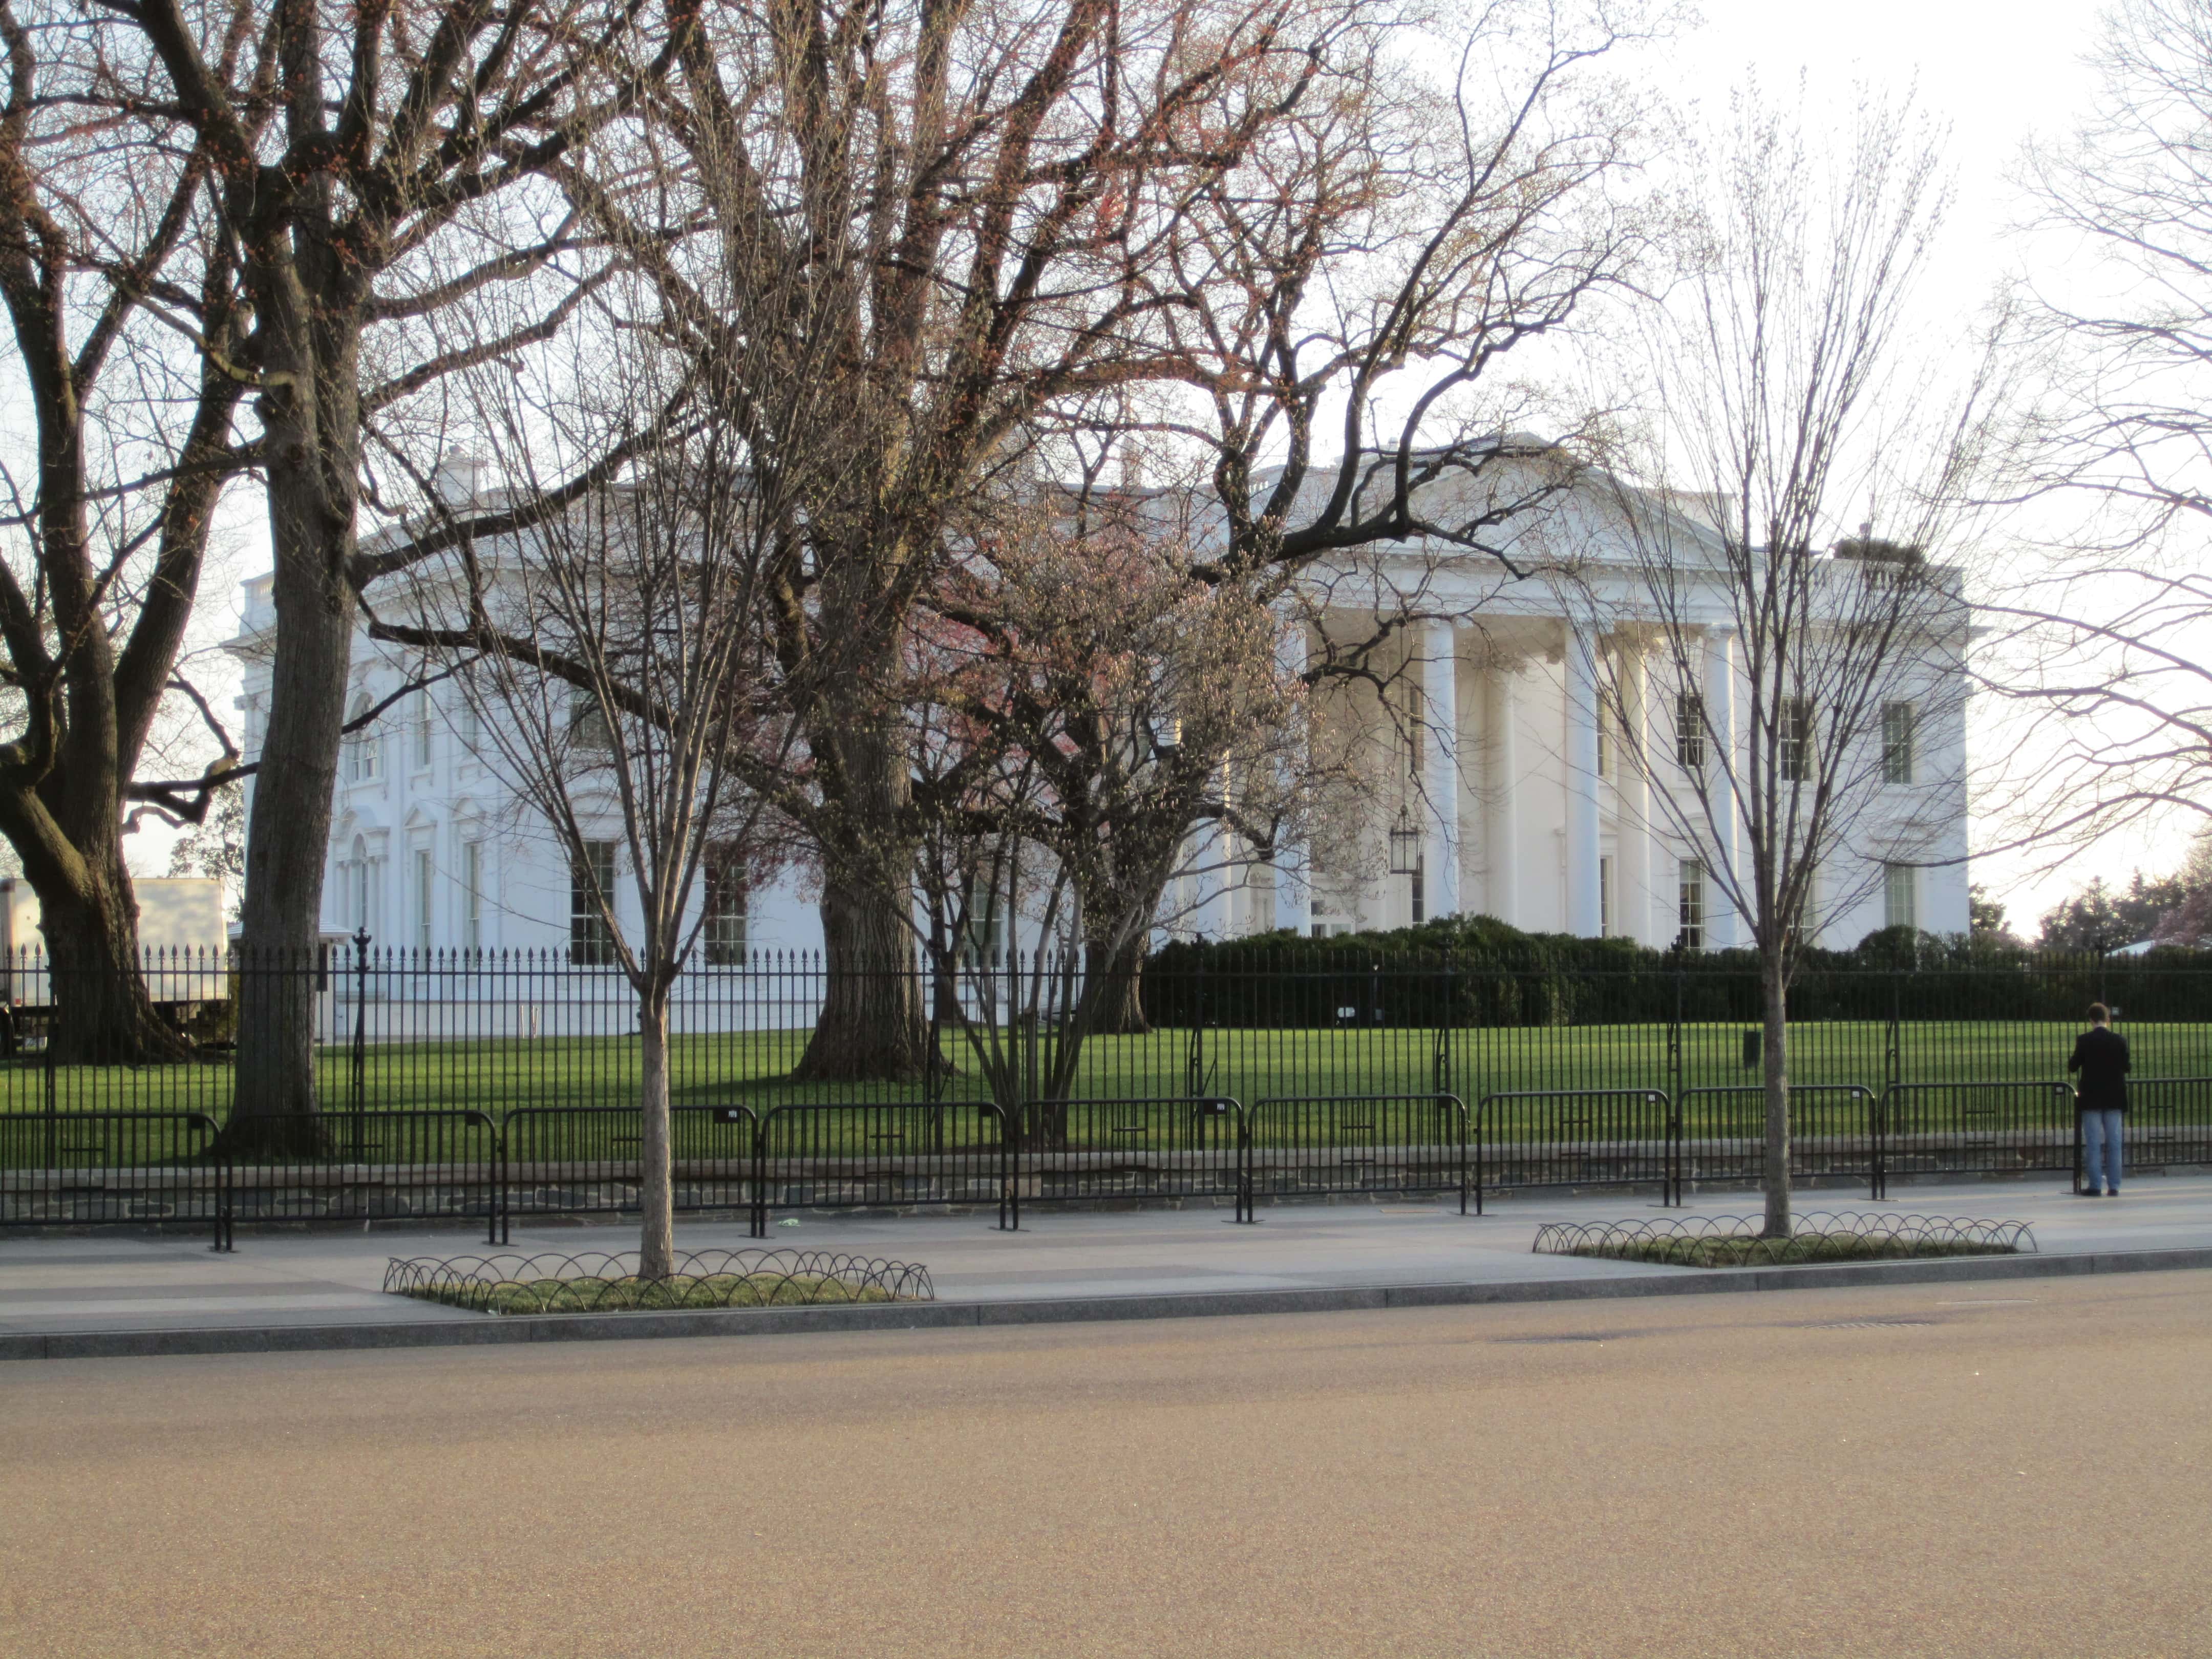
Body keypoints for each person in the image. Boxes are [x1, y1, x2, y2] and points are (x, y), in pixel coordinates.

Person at [2068, 1003, 2131, 1197]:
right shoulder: (2119, 1040)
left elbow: (2073, 1066)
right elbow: (2127, 1067)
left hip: (2091, 1097)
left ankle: (2095, 1185)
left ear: (2091, 1020)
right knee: (2114, 1143)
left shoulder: (2085, 1040)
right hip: (2114, 1097)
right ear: (2108, 1019)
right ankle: (2114, 1186)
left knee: (2094, 1143)